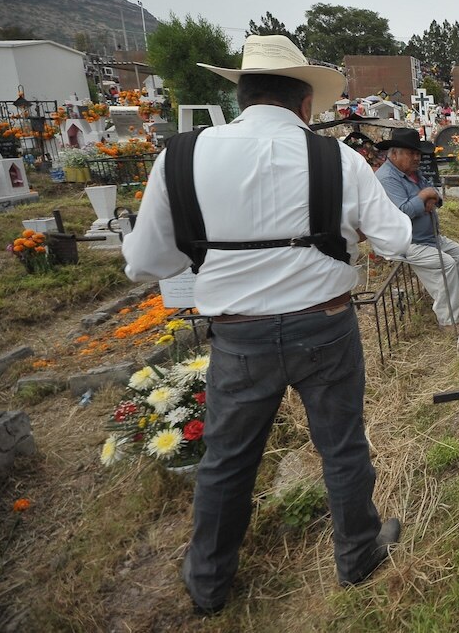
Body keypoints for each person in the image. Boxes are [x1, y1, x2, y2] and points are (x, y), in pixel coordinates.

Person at [122, 34, 414, 615]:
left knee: (228, 459)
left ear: (242, 93)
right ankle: (357, 552)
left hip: (238, 335)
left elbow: (147, 264)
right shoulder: (337, 159)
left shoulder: (181, 157)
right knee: (342, 447)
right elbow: (398, 239)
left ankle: (209, 583)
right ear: (305, 103)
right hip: (325, 328)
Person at [375, 129, 459, 329]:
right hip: (407, 242)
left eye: (418, 153)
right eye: (412, 153)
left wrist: (428, 195)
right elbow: (401, 212)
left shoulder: (413, 172)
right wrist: (423, 197)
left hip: (430, 237)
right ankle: (449, 320)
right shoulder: (387, 178)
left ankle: (457, 300)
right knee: (447, 264)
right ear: (395, 153)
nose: (417, 158)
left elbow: (435, 194)